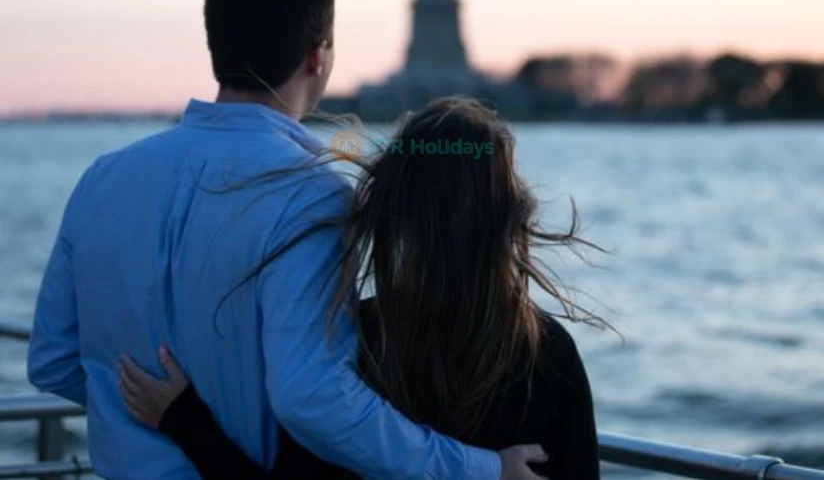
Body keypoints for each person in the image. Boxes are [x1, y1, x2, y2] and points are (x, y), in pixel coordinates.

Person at [27, 0, 545, 479]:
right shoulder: (311, 195)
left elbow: (51, 360)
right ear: (318, 58)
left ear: (216, 44)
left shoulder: (103, 178)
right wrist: (479, 470)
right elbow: (312, 398)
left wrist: (135, 419)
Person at [117, 97, 603, 480]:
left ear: (396, 214)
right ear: (506, 219)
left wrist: (186, 421)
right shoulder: (547, 353)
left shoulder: (353, 340)